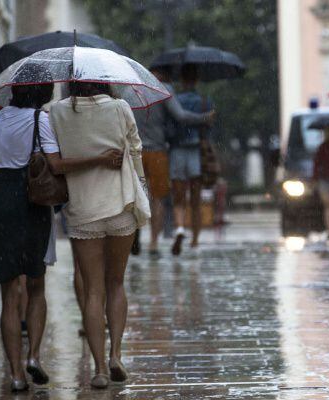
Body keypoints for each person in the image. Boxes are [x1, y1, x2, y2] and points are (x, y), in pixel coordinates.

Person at [0, 79, 122, 392]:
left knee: (8, 294)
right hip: (32, 201)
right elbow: (56, 165)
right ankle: (33, 355)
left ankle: (16, 374)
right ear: (43, 92)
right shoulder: (40, 119)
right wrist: (99, 158)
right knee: (36, 285)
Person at [49, 82, 149, 389]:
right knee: (115, 283)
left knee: (93, 290)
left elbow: (55, 158)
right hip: (120, 203)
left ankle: (99, 368)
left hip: (83, 208)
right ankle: (116, 354)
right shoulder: (119, 108)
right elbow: (136, 150)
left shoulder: (56, 113)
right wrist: (142, 187)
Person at [134, 66, 214, 256]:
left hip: (135, 151)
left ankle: (134, 238)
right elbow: (180, 116)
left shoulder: (133, 89)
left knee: (135, 197)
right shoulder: (163, 89)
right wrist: (204, 118)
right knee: (158, 199)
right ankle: (154, 242)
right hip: (157, 151)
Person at [169, 64, 216, 255]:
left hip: (177, 150)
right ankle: (195, 239)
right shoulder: (205, 102)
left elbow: (170, 125)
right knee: (196, 200)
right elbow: (210, 127)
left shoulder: (175, 101)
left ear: (181, 80)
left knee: (178, 198)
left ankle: (180, 228)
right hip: (197, 152)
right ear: (196, 80)